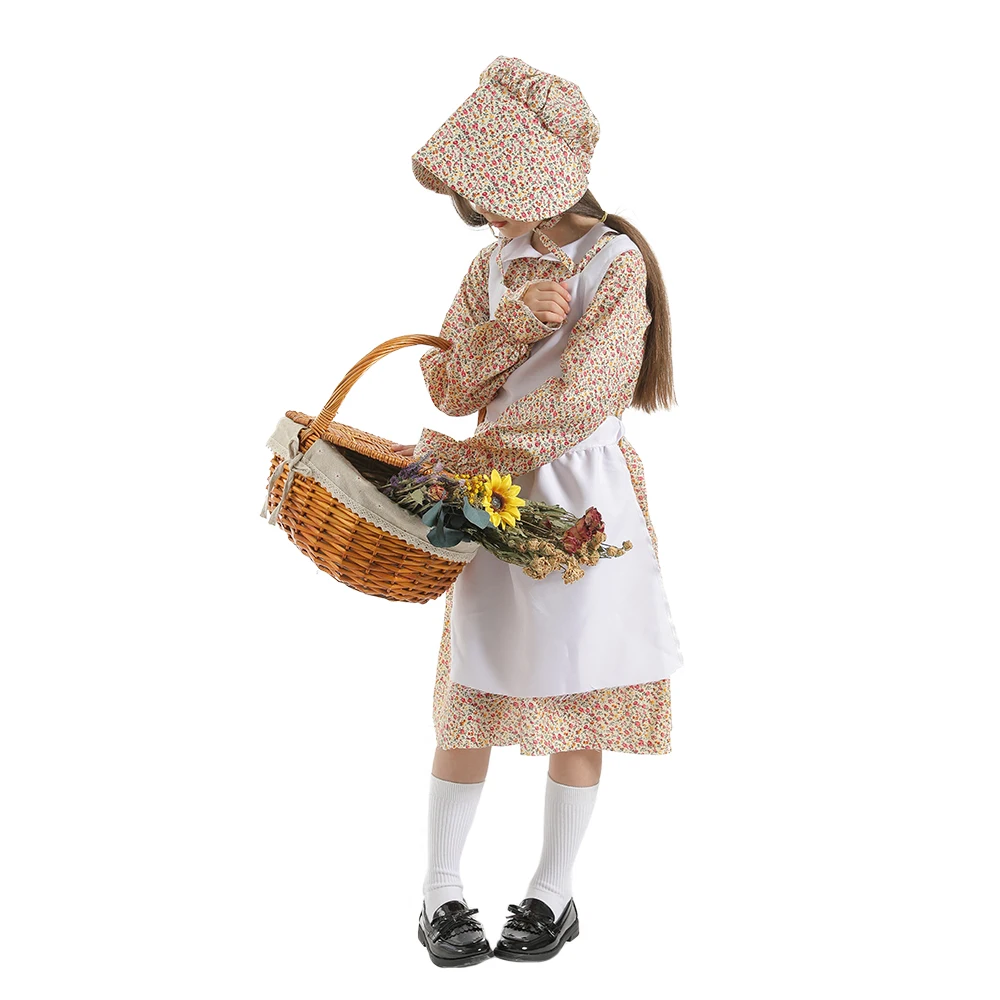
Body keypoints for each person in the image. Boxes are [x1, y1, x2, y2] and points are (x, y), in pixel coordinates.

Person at [395, 55, 685, 967]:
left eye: (490, 193)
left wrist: (468, 461)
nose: (482, 214)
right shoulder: (491, 268)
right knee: (473, 688)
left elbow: (580, 399)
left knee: (579, 688)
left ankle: (552, 892)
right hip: (493, 502)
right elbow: (449, 383)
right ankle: (440, 891)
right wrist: (517, 319)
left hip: (580, 501)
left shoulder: (617, 264)